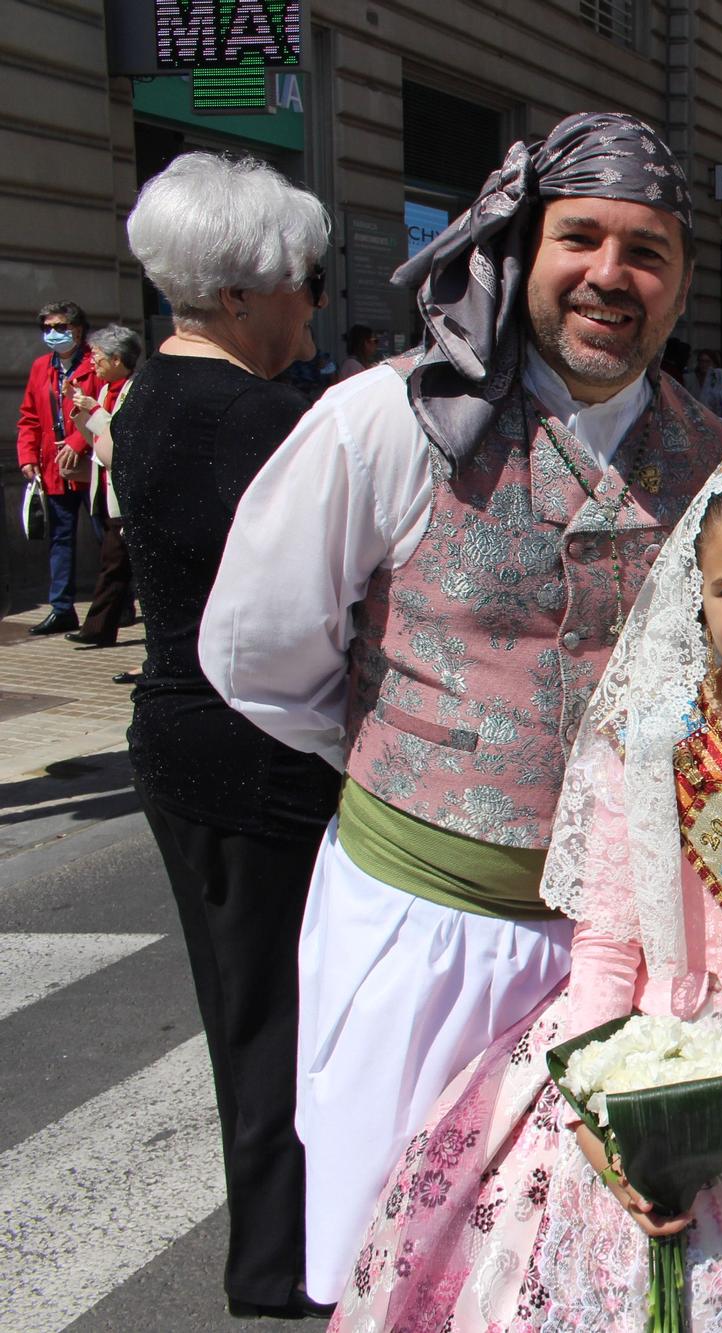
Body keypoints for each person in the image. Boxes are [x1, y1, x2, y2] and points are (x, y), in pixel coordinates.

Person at [197, 111, 722, 1306]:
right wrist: (415, 758)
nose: (611, 275)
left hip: (626, 954)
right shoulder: (386, 421)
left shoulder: (721, 466)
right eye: (581, 238)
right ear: (520, 246)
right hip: (419, 939)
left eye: (646, 251)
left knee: (581, 1282)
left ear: (683, 281)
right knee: (402, 1275)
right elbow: (257, 652)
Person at [330, 448, 722, 1330]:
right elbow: (607, 943)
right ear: (698, 598)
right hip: (663, 1063)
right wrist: (599, 1108)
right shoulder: (650, 745)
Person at [115, 151, 341, 1320]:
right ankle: (281, 1265)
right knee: (286, 1024)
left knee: (245, 1012)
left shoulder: (152, 391)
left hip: (180, 744)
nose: (314, 296)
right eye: (304, 275)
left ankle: (280, 1248)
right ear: (246, 290)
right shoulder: (260, 415)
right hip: (258, 760)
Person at [16, 299, 102, 636]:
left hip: (89, 464)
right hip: (53, 469)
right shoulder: (42, 367)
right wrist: (27, 456)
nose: (53, 334)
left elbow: (102, 409)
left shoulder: (96, 362)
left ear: (78, 329)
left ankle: (118, 601)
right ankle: (61, 608)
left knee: (104, 536)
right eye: (47, 328)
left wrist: (79, 444)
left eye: (60, 327)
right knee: (60, 538)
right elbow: (30, 417)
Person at [63, 324, 144, 648]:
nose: (93, 363)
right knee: (116, 563)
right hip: (106, 489)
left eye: (97, 356)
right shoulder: (104, 391)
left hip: (125, 495)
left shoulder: (134, 389)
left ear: (116, 358)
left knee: (115, 563)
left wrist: (94, 411)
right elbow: (99, 443)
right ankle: (102, 626)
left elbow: (120, 438)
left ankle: (98, 628)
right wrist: (81, 415)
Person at [692, 347, 722, 415]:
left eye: (707, 362)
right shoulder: (691, 379)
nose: (704, 364)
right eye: (701, 361)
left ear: (714, 363)